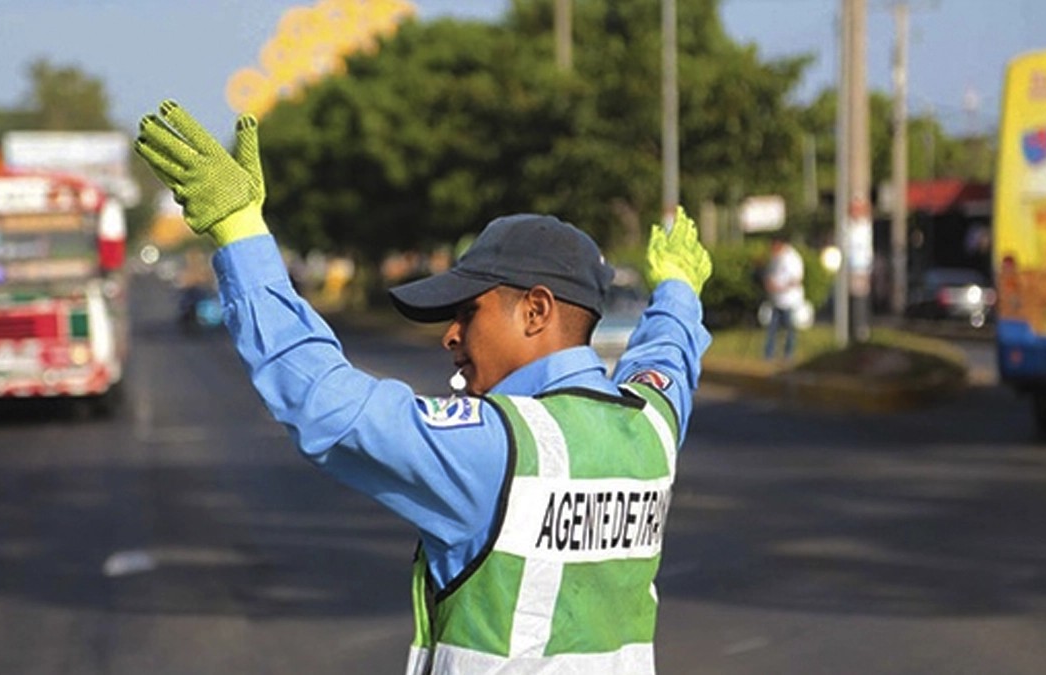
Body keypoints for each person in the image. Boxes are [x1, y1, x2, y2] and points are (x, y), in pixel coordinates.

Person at [134, 100, 712, 674]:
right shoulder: (649, 425)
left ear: (536, 311)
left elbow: (326, 403)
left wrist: (240, 232)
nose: (451, 336)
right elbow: (669, 359)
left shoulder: (497, 448)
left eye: (468, 313)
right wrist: (679, 292)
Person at [762, 236, 805, 360]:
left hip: (789, 300)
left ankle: (788, 353)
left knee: (789, 329)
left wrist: (780, 288)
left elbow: (796, 279)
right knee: (772, 329)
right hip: (775, 300)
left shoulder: (792, 258)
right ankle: (768, 354)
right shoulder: (775, 258)